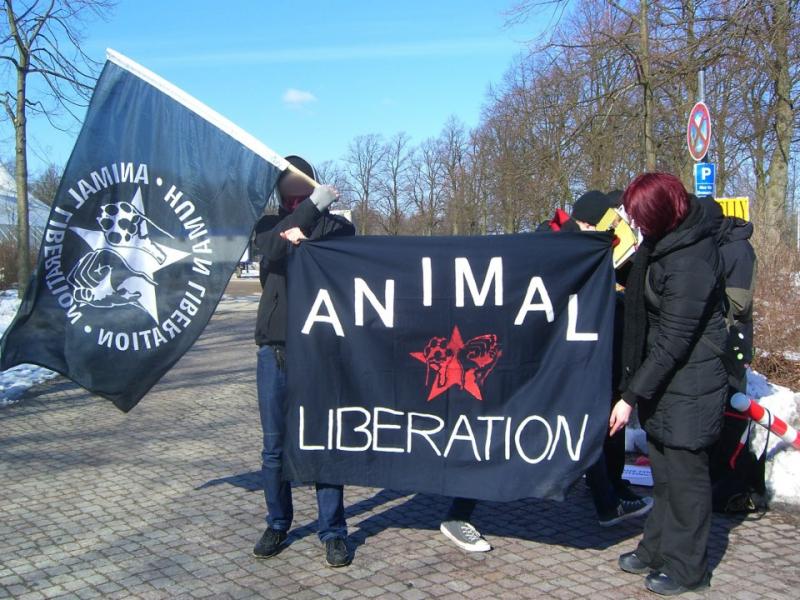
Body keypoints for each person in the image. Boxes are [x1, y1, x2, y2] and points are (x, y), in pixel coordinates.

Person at [609, 173, 728, 596]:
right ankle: (656, 548)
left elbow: (673, 342)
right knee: (664, 473)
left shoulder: (691, 260)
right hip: (668, 381)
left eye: (640, 218)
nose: (635, 226)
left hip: (691, 381)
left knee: (686, 478)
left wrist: (629, 397)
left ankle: (688, 568)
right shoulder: (663, 243)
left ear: (661, 214)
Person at [252, 155, 356, 568]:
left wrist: (315, 219)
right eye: (287, 183)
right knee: (274, 448)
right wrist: (305, 213)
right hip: (274, 350)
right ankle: (278, 522)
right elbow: (272, 246)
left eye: (302, 184)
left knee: (323, 441)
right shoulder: (267, 225)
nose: (293, 191)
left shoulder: (335, 226)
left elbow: (348, 255)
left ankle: (332, 530)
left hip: (318, 351)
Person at [570, 190, 653, 526]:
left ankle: (610, 487)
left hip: (610, 352)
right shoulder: (569, 246)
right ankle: (605, 493)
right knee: (591, 422)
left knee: (608, 423)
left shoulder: (615, 247)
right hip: (586, 355)